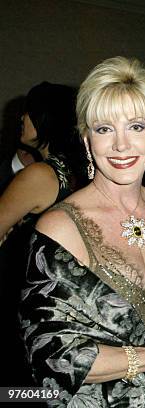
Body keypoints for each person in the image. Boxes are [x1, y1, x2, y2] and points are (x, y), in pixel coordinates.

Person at [20, 57, 145, 407]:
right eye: (105, 129)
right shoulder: (60, 227)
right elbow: (51, 355)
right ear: (87, 139)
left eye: (136, 127)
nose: (122, 145)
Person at [0, 81, 86, 386]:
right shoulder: (84, 174)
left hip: (28, 308)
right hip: (73, 312)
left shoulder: (41, 175)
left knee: (16, 392)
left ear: (46, 119)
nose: (20, 119)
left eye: (28, 112)